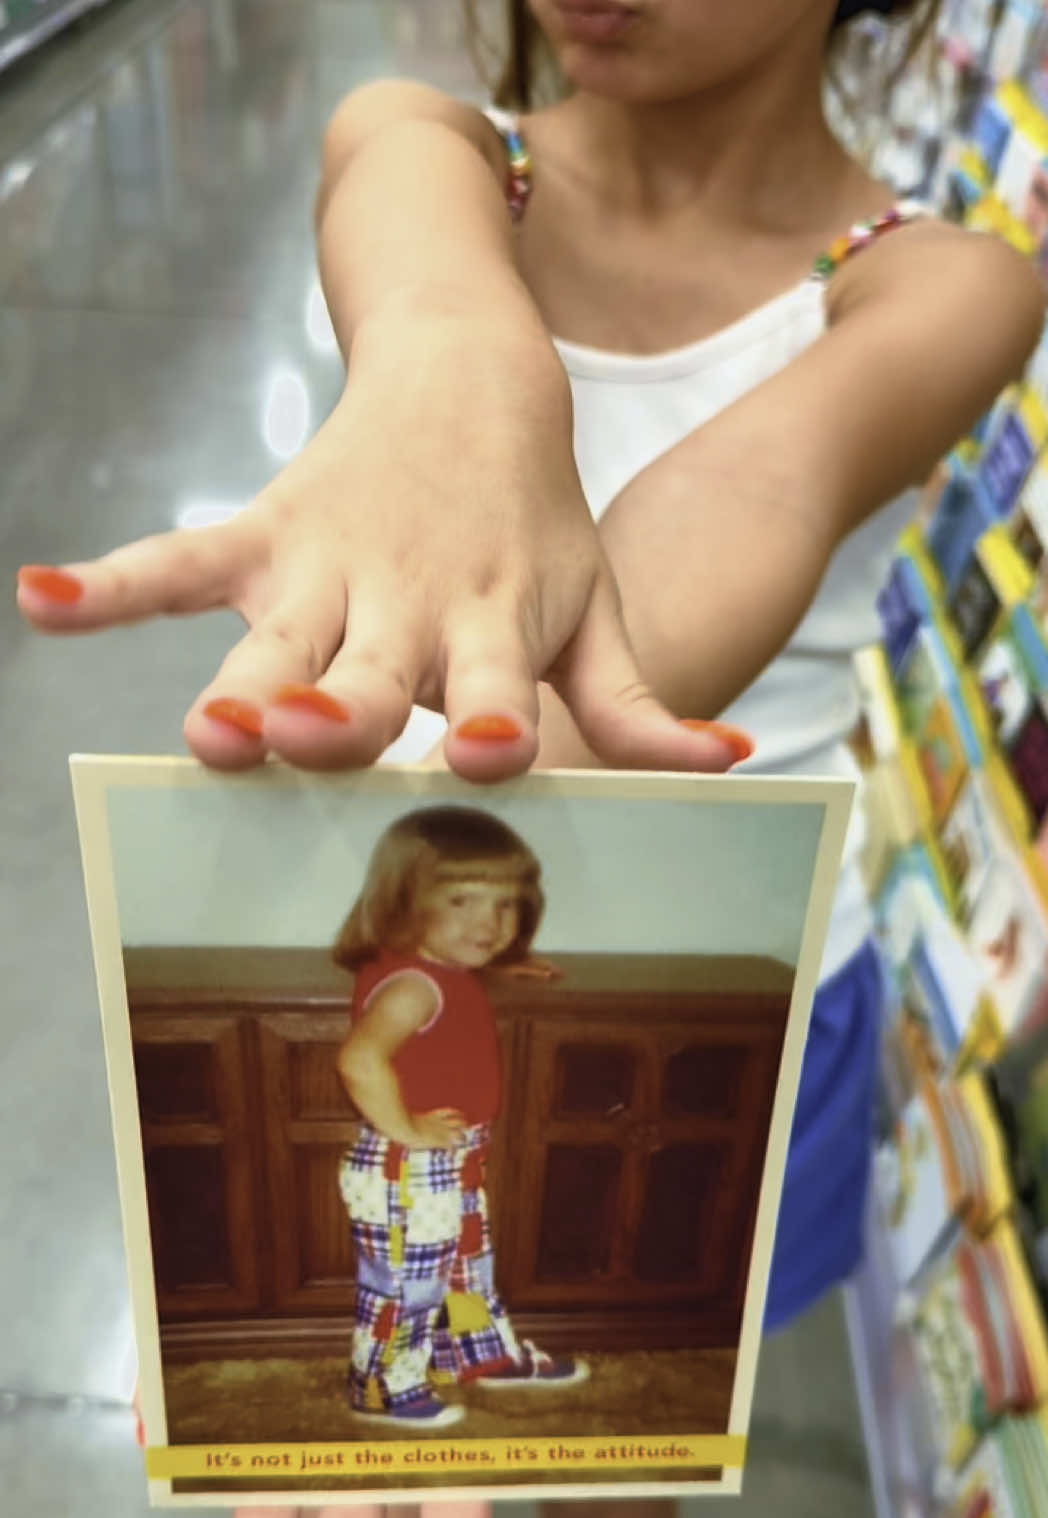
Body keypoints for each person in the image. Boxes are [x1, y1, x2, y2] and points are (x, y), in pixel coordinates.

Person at [22, 0, 1046, 1512]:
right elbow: (422, 268)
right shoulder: (426, 149)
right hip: (444, 952)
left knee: (618, 1453)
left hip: (736, 992)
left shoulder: (948, 286)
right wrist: (460, 365)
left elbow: (714, 533)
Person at [333, 805, 586, 1427]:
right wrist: (410, 1131)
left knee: (465, 1270)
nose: (490, 922)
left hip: (450, 1159)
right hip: (408, 1166)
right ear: (404, 900)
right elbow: (360, 1061)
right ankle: (380, 1387)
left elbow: (439, 986)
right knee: (406, 1286)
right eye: (462, 902)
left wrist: (495, 963)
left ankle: (478, 1354)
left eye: (504, 905)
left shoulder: (429, 970)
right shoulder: (416, 988)